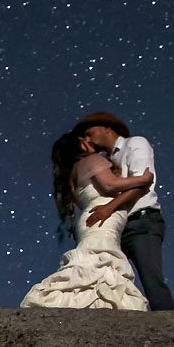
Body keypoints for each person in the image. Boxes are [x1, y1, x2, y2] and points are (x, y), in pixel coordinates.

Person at [19, 130, 154, 309]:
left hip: (94, 218)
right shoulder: (92, 160)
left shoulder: (72, 174)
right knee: (100, 263)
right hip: (103, 218)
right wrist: (142, 179)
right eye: (84, 139)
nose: (90, 140)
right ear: (80, 146)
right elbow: (109, 185)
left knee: (94, 262)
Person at [73, 110, 174, 310]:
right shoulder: (104, 160)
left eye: (89, 131)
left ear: (106, 128)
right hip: (118, 225)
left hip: (140, 220)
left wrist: (109, 208)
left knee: (151, 279)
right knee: (111, 278)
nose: (87, 137)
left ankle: (173, 330)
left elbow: (142, 183)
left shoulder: (135, 144)